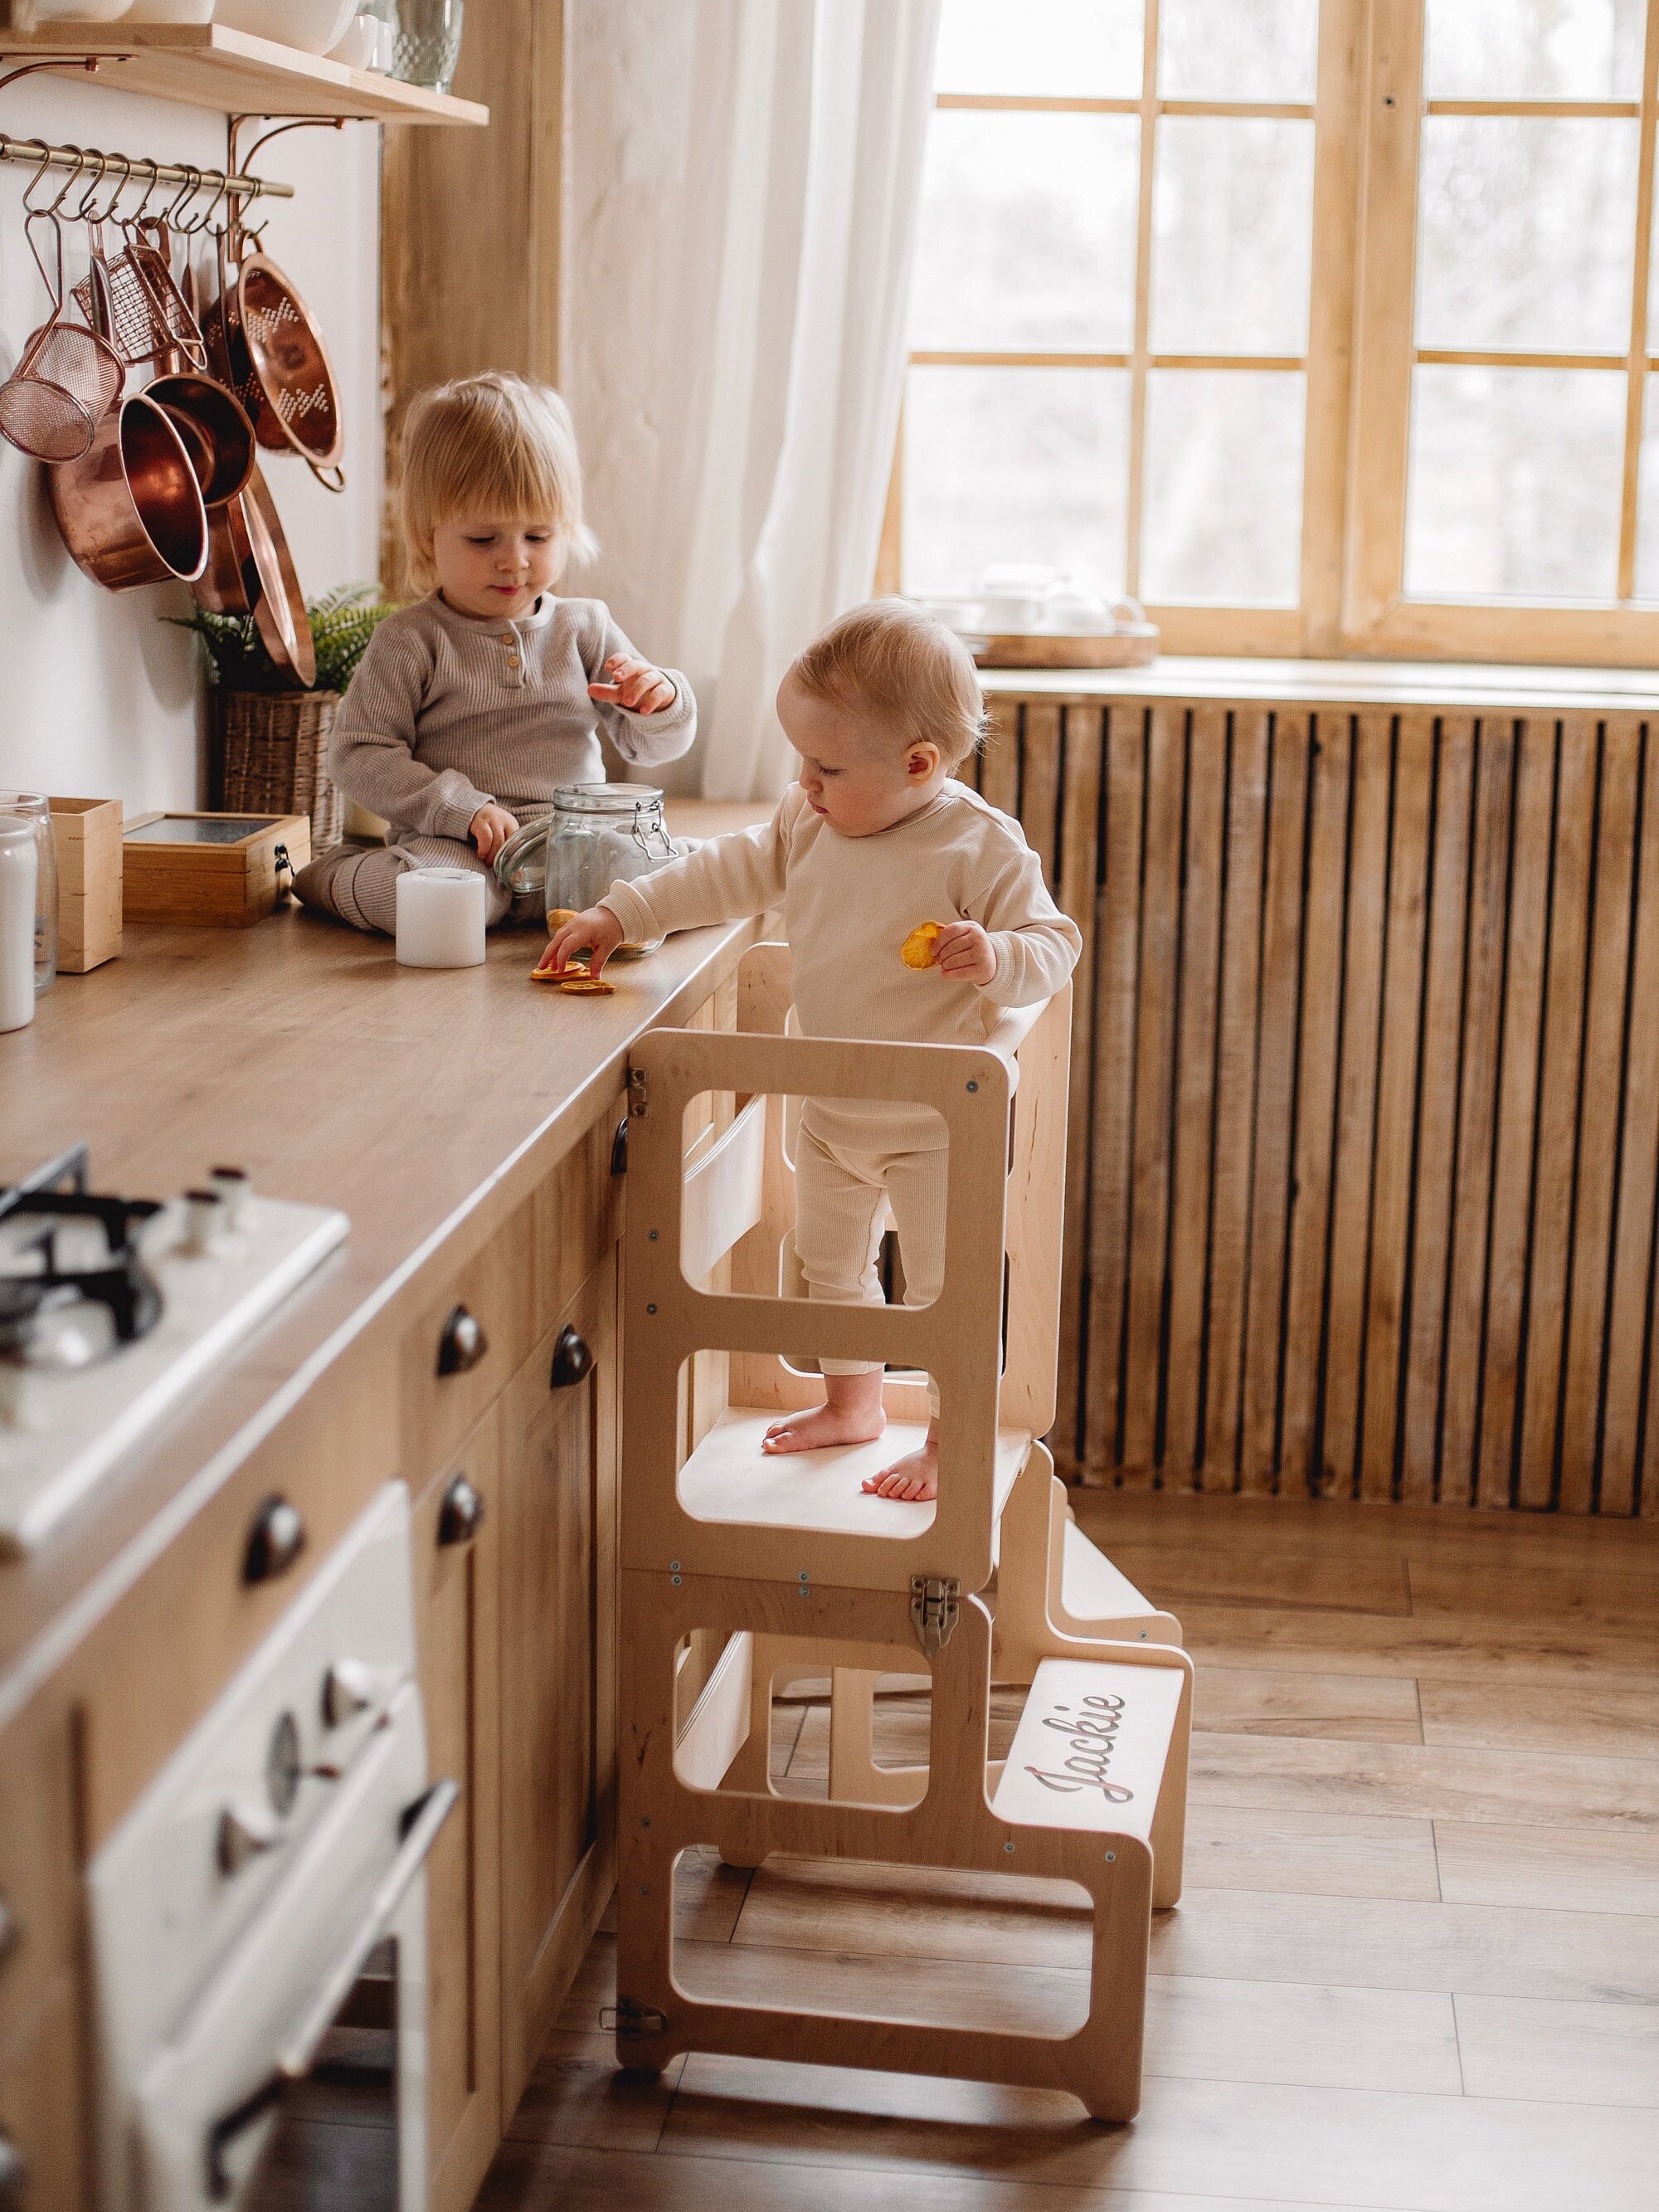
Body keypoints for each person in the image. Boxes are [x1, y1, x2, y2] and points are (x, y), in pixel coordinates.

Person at [541, 599, 1081, 1501]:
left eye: (825, 765)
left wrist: (996, 956)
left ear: (919, 765)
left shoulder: (976, 843)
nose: (804, 781)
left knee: (944, 1287)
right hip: (831, 1111)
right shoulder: (809, 822)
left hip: (937, 1122)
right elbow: (719, 871)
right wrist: (620, 910)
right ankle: (853, 1404)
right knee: (829, 1269)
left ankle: (954, 1438)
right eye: (801, 760)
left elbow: (1054, 943)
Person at [294, 373, 695, 934]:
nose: (514, 561)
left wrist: (662, 701)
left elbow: (657, 747)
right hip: (459, 853)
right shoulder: (411, 639)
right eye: (484, 539)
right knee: (438, 907)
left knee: (685, 876)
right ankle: (332, 877)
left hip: (573, 848)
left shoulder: (585, 625)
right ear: (427, 533)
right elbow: (357, 754)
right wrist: (460, 809)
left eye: (538, 536)